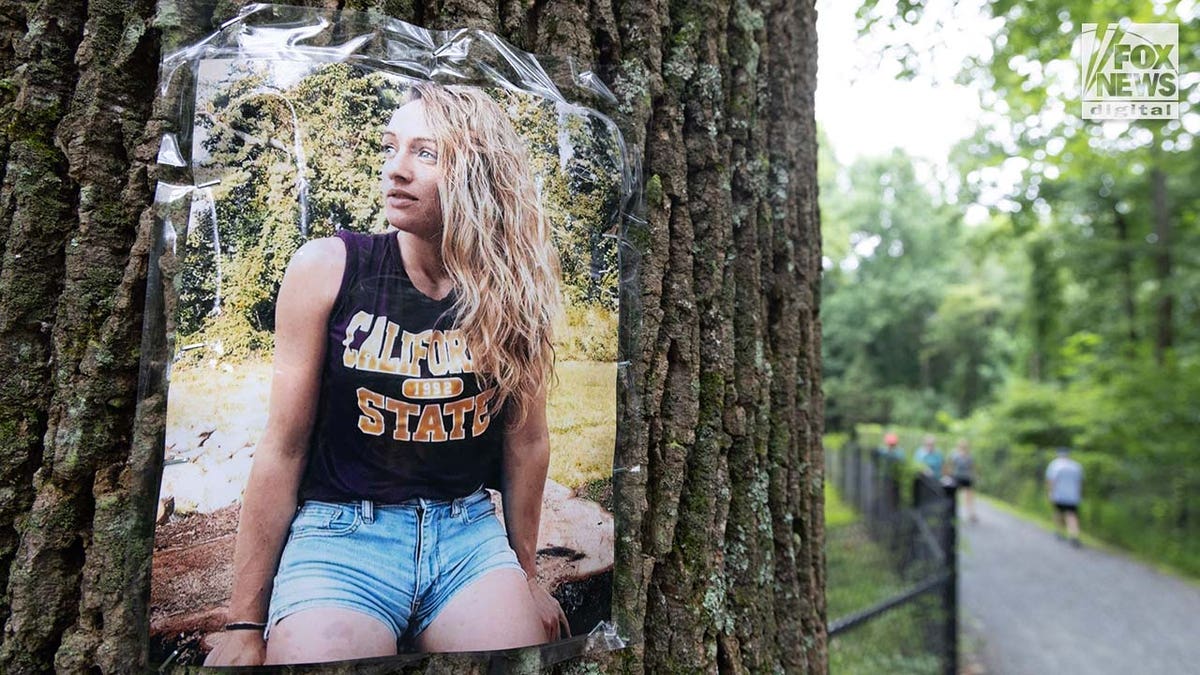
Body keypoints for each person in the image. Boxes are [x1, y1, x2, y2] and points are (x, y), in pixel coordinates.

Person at [204, 83, 569, 666]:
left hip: (467, 536)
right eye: (390, 147)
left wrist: (525, 574)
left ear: (481, 171)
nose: (394, 171)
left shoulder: (513, 292)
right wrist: (244, 620)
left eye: (425, 153)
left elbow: (527, 443)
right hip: (342, 537)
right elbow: (283, 447)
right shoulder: (328, 269)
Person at [1046, 447, 1084, 547]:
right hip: (1073, 496)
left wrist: (1050, 492)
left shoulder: (1055, 465)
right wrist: (1079, 494)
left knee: (1058, 513)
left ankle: (1059, 532)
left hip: (1059, 495)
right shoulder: (1076, 466)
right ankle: (1073, 536)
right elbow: (1080, 482)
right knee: (1072, 516)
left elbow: (1051, 480)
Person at [948, 439, 977, 522]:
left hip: (967, 478)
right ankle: (953, 513)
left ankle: (970, 514)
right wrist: (949, 475)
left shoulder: (969, 456)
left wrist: (974, 476)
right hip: (957, 477)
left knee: (969, 496)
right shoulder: (955, 455)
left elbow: (972, 466)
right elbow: (950, 465)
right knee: (955, 495)